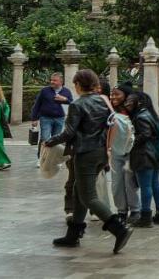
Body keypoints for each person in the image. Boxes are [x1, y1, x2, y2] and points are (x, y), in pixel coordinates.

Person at [46, 69, 133, 252]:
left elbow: (69, 133)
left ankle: (119, 229)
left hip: (85, 153)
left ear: (78, 85)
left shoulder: (77, 105)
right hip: (102, 152)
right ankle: (73, 234)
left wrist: (51, 141)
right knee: (79, 191)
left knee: (89, 196)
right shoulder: (103, 100)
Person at [127, 90, 159, 228]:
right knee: (155, 183)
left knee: (146, 185)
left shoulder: (140, 116)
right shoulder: (149, 113)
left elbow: (145, 134)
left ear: (137, 102)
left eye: (130, 102)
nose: (127, 104)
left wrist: (130, 140)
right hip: (154, 154)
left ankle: (145, 216)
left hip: (144, 155)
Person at [108, 84, 141, 223]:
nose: (113, 97)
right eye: (112, 94)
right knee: (116, 183)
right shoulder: (109, 111)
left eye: (117, 94)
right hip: (115, 152)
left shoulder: (135, 112)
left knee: (130, 182)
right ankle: (121, 211)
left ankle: (135, 210)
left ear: (126, 97)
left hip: (130, 152)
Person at [30, 73, 74, 167]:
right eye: (51, 80)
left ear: (61, 82)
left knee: (57, 140)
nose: (52, 82)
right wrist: (34, 118)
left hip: (60, 119)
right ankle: (41, 159)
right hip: (45, 118)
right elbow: (37, 104)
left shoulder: (66, 91)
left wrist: (65, 99)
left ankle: (55, 160)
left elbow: (72, 104)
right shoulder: (45, 91)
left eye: (54, 80)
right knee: (45, 138)